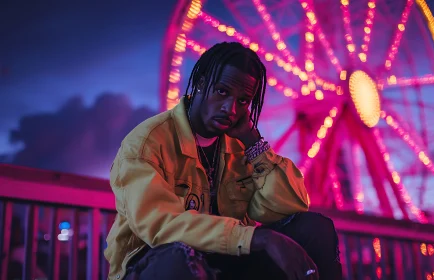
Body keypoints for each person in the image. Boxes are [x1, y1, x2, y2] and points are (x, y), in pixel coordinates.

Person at [104, 42, 342, 280]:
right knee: (178, 256)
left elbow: (290, 208)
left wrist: (254, 144)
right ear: (199, 84)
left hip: (223, 261)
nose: (230, 108)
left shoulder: (239, 146)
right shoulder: (147, 143)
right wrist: (254, 238)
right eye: (222, 92)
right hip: (152, 265)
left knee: (314, 230)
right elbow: (159, 226)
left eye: (242, 101)